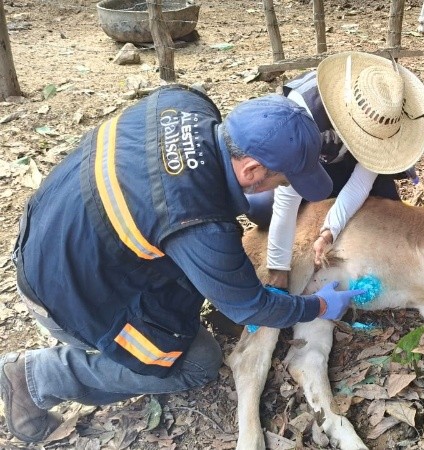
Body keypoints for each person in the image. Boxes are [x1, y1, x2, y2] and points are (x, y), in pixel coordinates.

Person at [1, 85, 366, 443]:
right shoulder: (199, 222)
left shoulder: (183, 101)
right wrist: (316, 305)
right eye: (284, 180)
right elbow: (250, 307)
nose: (287, 187)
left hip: (48, 236)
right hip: (63, 295)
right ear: (253, 170)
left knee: (195, 267)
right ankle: (37, 376)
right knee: (198, 362)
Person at [244, 51, 424, 290]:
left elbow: (360, 183)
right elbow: (287, 195)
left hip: (343, 161)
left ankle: (323, 207)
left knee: (387, 216)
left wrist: (329, 232)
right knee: (260, 206)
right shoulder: (304, 115)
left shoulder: (384, 117)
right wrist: (278, 268)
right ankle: (311, 208)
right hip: (314, 161)